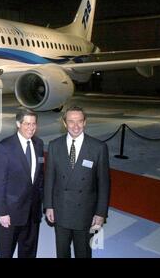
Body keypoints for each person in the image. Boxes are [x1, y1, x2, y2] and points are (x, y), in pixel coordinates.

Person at [44, 106, 110, 258]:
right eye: (71, 122)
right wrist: (49, 206)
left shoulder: (98, 148)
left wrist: (100, 213)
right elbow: (49, 179)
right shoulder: (55, 145)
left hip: (85, 213)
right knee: (62, 252)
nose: (75, 126)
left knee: (83, 253)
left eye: (79, 121)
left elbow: (104, 184)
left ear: (85, 122)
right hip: (61, 210)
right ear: (64, 123)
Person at [0, 110, 44, 258]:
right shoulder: (4, 147)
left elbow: (40, 177)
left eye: (34, 124)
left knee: (29, 251)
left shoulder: (38, 144)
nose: (31, 127)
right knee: (6, 252)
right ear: (18, 124)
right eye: (27, 123)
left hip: (33, 212)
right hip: (11, 213)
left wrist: (41, 205)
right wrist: (2, 212)